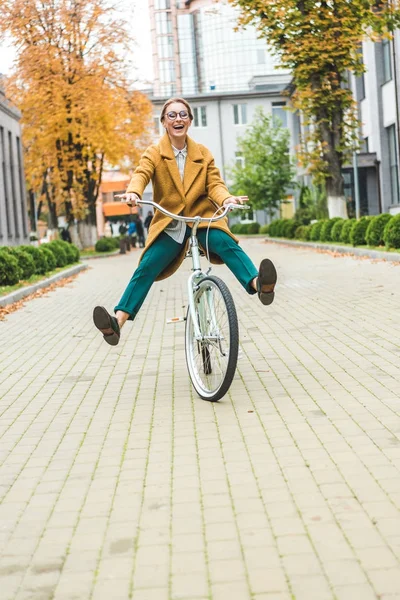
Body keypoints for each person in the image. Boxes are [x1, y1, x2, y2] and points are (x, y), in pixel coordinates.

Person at [93, 97, 277, 346]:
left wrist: (227, 199)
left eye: (183, 115)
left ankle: (259, 284)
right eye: (172, 115)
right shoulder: (155, 153)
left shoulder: (203, 153)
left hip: (200, 219)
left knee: (226, 242)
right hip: (171, 224)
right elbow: (141, 173)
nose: (178, 119)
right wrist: (134, 192)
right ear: (164, 123)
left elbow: (215, 185)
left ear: (190, 121)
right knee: (146, 266)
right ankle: (117, 322)